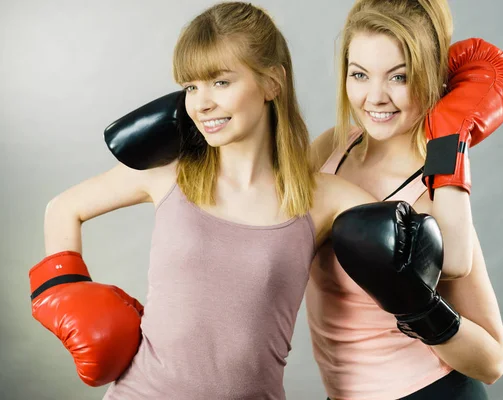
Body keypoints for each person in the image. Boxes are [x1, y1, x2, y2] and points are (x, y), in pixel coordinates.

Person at [28, 2, 379, 399]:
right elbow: (62, 209)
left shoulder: (320, 198)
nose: (201, 103)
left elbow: (413, 240)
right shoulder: (169, 172)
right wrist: (67, 292)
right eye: (191, 86)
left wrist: (440, 136)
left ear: (271, 83)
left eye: (221, 82)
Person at [306, 0, 503, 399]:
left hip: (429, 391)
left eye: (398, 77)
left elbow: (492, 361)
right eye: (360, 74)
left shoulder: (433, 187)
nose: (375, 96)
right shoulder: (332, 149)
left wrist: (418, 308)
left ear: (429, 76)